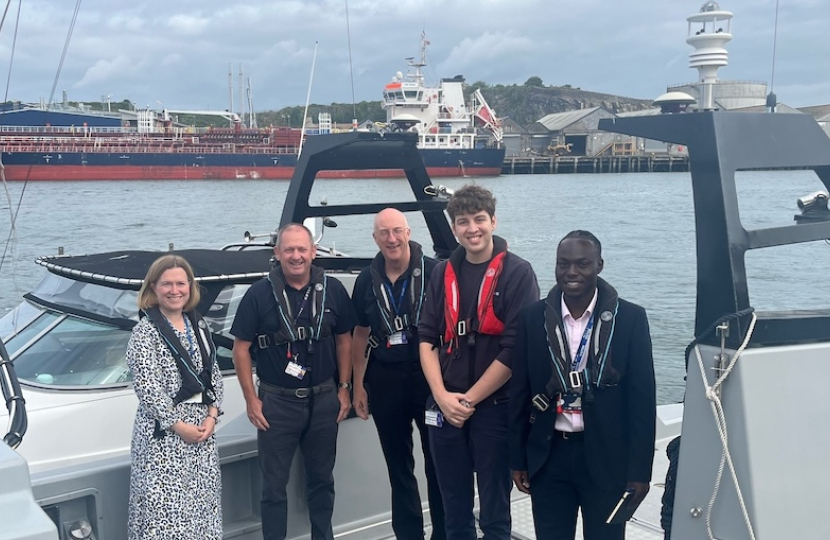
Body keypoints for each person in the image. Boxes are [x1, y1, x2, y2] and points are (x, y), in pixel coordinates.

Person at [508, 230, 656, 540]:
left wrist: (639, 472)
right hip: (549, 456)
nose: (571, 272)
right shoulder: (531, 318)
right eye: (563, 264)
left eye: (582, 264)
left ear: (599, 265)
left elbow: (642, 402)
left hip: (606, 458)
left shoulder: (629, 319)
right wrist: (518, 459)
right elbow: (520, 393)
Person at [418, 185, 539, 540]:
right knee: (453, 510)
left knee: (494, 513)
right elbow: (426, 337)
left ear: (493, 221)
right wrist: (441, 396)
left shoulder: (519, 273)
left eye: (479, 220)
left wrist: (469, 400)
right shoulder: (441, 274)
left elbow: (515, 350)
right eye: (463, 222)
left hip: (494, 409)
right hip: (445, 405)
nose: (473, 229)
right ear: (454, 228)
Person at [231, 223, 356, 540]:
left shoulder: (334, 290)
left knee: (322, 481)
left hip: (324, 399)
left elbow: (345, 340)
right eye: (289, 249)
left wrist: (344, 389)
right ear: (277, 253)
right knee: (273, 487)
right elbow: (241, 349)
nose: (296, 256)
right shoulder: (259, 294)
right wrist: (251, 399)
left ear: (314, 252)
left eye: (302, 249)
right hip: (277, 403)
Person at [351, 208, 446, 540]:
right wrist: (357, 385)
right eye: (383, 233)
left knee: (438, 464)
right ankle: (409, 535)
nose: (391, 239)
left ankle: (444, 534)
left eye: (396, 231)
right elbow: (360, 333)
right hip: (385, 380)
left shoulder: (436, 272)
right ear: (375, 238)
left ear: (408, 232)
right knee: (398, 466)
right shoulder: (366, 280)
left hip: (429, 381)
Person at [126, 254, 224, 540]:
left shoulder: (199, 325)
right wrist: (177, 425)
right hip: (164, 434)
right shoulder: (144, 333)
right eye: (166, 284)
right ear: (153, 288)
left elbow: (213, 374)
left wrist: (212, 415)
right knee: (163, 512)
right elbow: (147, 386)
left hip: (201, 433)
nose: (174, 290)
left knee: (201, 507)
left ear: (190, 287)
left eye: (181, 283)